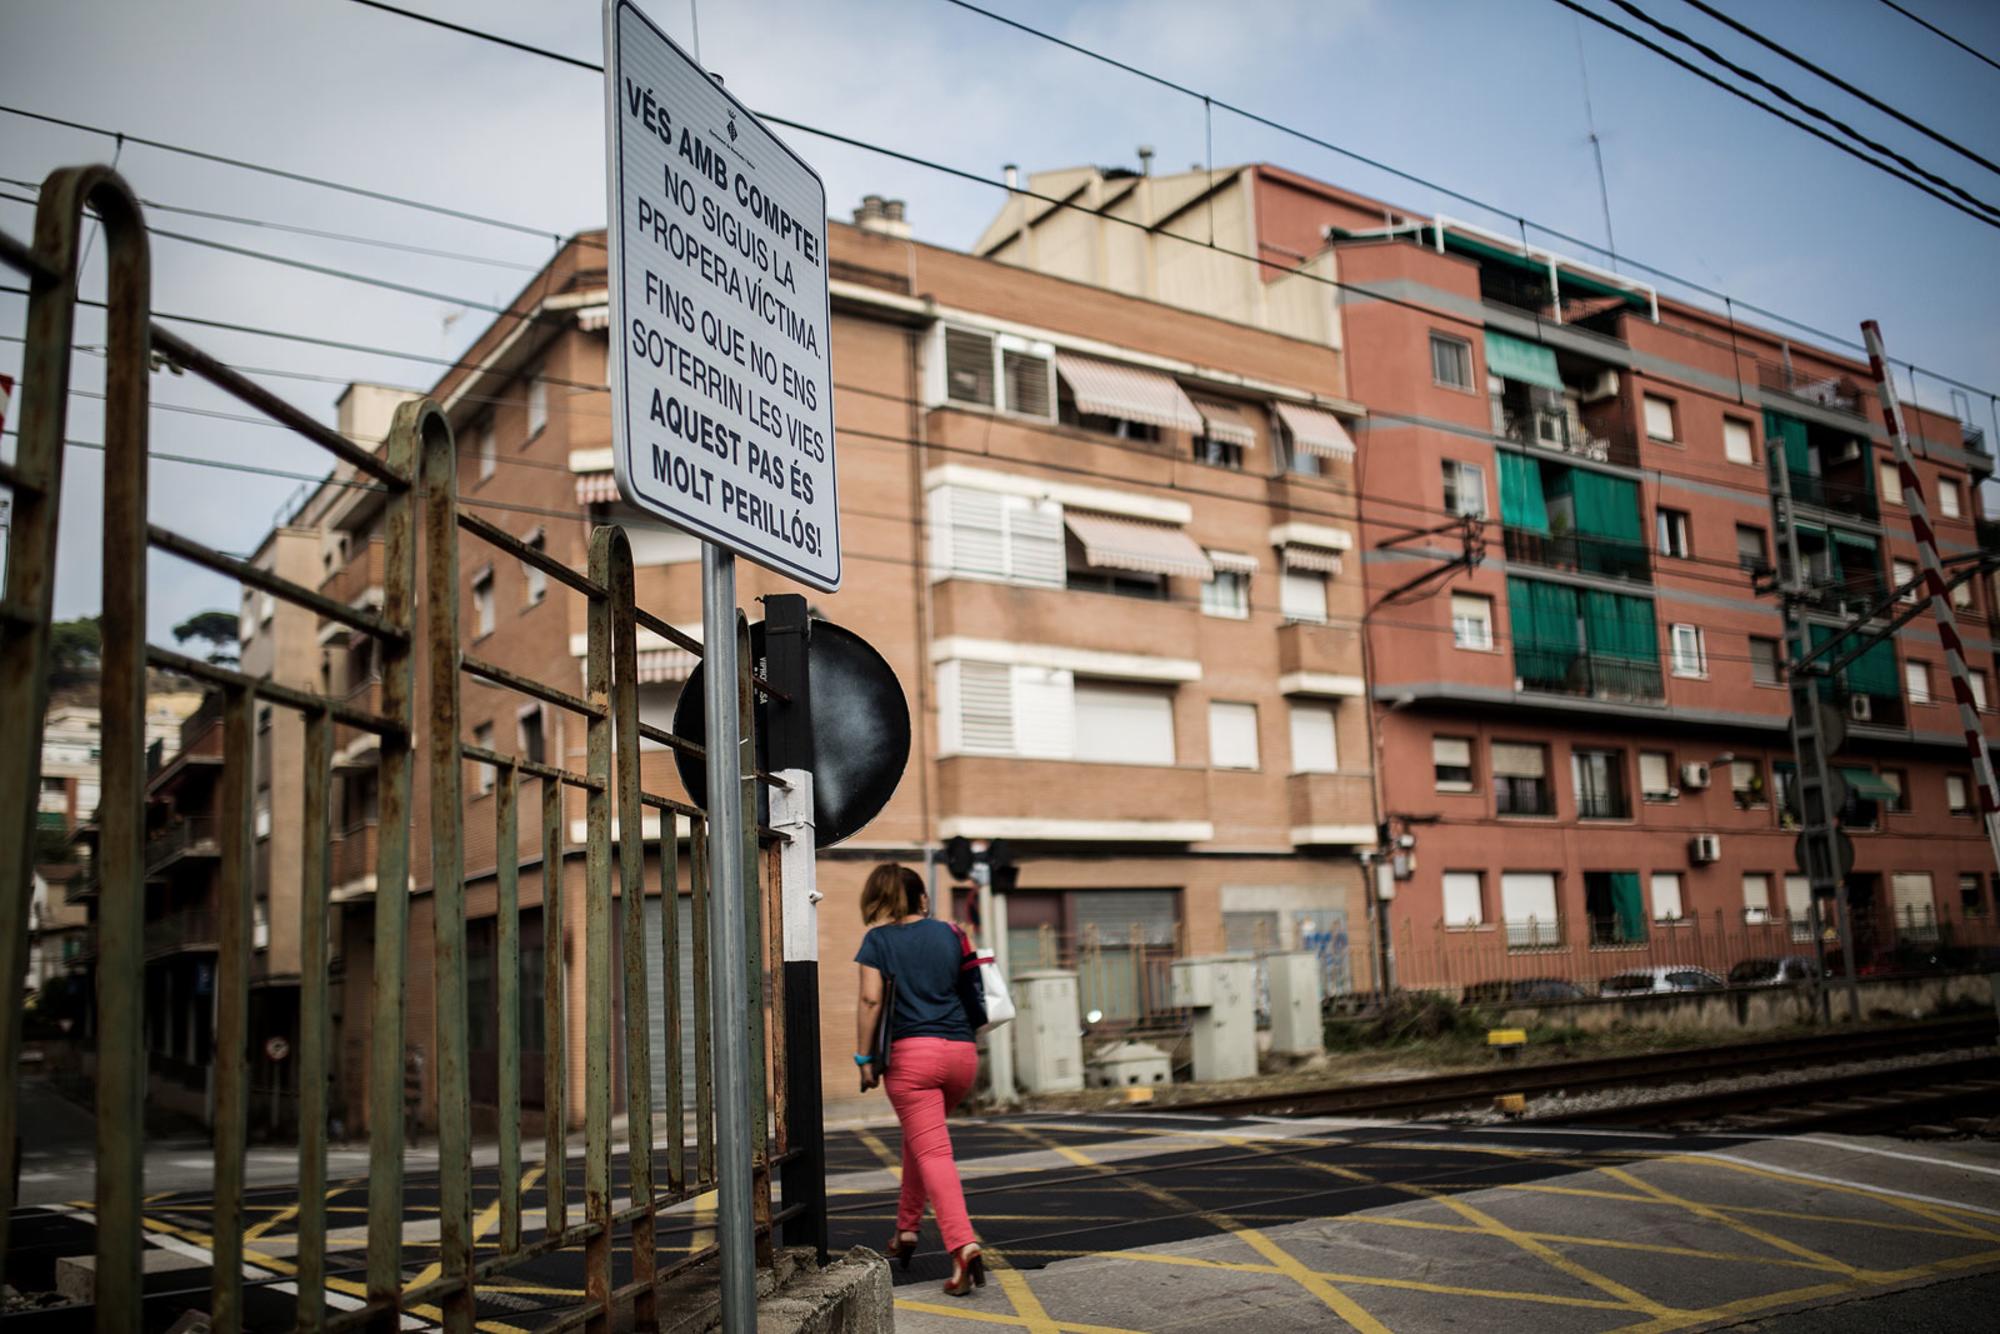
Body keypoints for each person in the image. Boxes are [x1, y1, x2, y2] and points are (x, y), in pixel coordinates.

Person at [854, 863, 985, 1297]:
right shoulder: (952, 932)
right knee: (922, 1140)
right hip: (962, 1054)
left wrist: (865, 1058)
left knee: (932, 1150)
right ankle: (906, 1231)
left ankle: (962, 1244)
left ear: (880, 900)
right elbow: (972, 989)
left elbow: (872, 999)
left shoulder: (878, 940)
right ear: (922, 899)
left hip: (913, 1059)